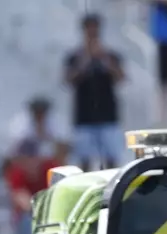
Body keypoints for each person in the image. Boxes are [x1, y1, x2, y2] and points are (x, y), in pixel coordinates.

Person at [65, 15, 126, 171]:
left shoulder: (110, 55)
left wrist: (104, 59)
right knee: (84, 161)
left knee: (111, 160)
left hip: (108, 115)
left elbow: (121, 77)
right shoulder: (74, 56)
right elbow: (69, 80)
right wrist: (86, 60)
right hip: (84, 116)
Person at [7, 97, 71, 165]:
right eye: (37, 112)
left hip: (49, 157)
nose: (39, 114)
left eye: (42, 112)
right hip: (28, 157)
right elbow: (17, 145)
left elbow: (63, 141)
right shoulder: (21, 122)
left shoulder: (55, 121)